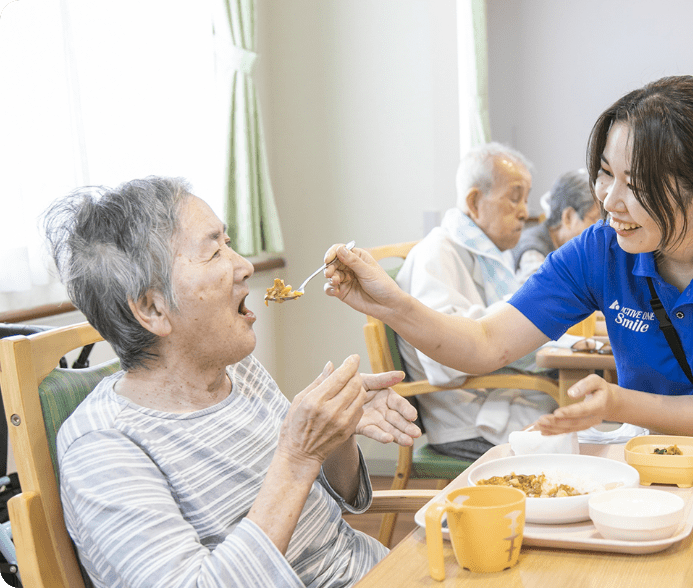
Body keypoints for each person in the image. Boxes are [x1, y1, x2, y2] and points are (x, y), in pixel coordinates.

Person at [324, 75, 693, 442]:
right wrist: (390, 304)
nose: (609, 201)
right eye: (606, 173)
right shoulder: (602, 249)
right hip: (660, 461)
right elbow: (485, 343)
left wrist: (619, 402)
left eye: (637, 184)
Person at [42, 176, 421, 588]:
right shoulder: (103, 448)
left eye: (229, 242)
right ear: (152, 308)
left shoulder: (239, 370)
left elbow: (325, 509)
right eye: (214, 251)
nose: (245, 266)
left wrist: (335, 435)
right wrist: (297, 457)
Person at [392, 142, 558, 460]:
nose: (525, 212)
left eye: (526, 199)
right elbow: (444, 359)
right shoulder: (436, 253)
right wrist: (523, 317)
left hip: (500, 397)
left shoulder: (489, 256)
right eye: (514, 198)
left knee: (583, 416)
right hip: (468, 419)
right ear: (474, 201)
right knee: (576, 442)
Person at [510, 169, 601, 282]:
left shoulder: (570, 248)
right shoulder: (532, 254)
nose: (600, 228)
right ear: (568, 217)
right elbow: (540, 290)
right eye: (595, 218)